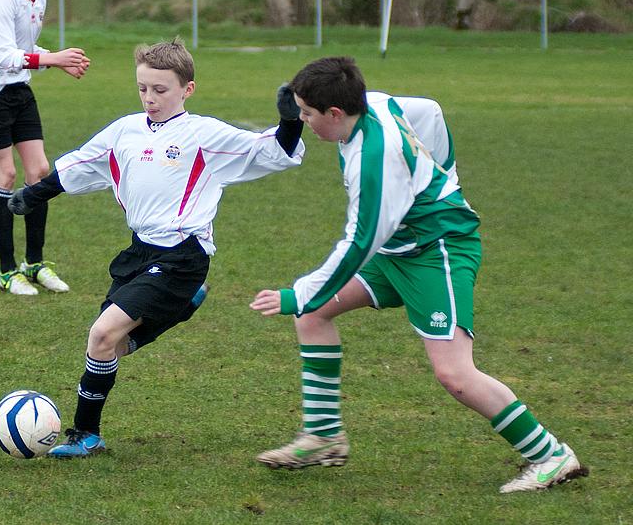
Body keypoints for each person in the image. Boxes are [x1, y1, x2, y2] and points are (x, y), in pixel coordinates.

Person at [249, 56, 586, 493]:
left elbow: (360, 241)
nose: (305, 122)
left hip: (436, 252)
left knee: (454, 374)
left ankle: (552, 455)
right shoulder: (375, 102)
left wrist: (301, 291)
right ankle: (324, 436)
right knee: (312, 318)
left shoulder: (374, 159)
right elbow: (429, 110)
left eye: (308, 114)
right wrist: (443, 174)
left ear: (335, 113)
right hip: (401, 249)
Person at [7, 37, 306, 457]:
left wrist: (289, 120)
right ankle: (180, 310)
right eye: (143, 88)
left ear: (187, 89)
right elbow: (81, 164)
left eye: (161, 90)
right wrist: (36, 195)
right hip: (138, 252)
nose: (150, 99)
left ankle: (85, 434)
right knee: (110, 346)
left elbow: (269, 151)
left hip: (184, 256)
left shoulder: (202, 134)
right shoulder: (124, 131)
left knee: (101, 332)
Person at [0, 0, 91, 295]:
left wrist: (56, 62)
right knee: (5, 175)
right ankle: (6, 271)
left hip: (18, 91)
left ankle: (33, 263)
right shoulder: (0, 0)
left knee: (39, 171)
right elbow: (3, 56)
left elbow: (22, 48)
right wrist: (53, 58)